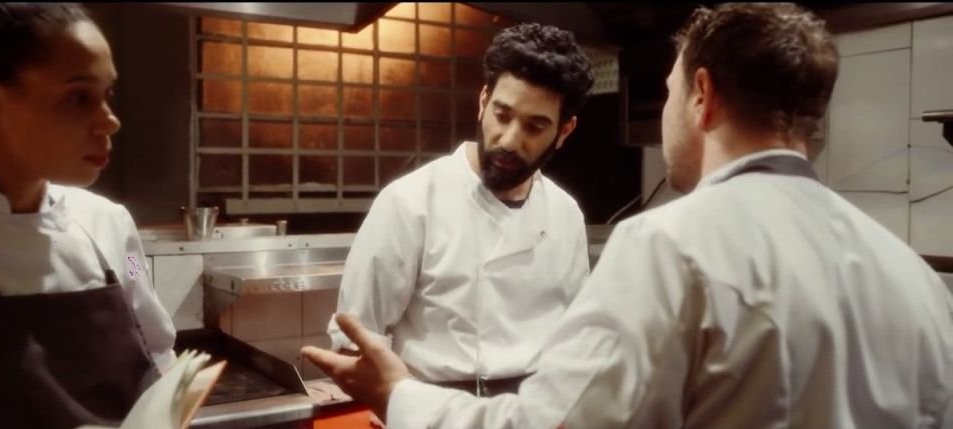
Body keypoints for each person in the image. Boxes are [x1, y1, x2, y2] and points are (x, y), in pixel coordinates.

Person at [304, 3, 953, 428]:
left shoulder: (664, 247)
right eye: (502, 115)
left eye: (668, 91)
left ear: (702, 96)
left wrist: (404, 397)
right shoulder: (915, 279)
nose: (511, 137)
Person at [0, 4, 176, 428]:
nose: (111, 122)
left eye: (107, 95)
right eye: (79, 97)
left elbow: (156, 342)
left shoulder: (112, 226)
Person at [326, 22, 594, 399]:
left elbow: (574, 335)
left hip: (537, 410)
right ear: (483, 102)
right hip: (432, 408)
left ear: (564, 132)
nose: (509, 140)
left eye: (535, 127)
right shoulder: (410, 202)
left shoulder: (565, 214)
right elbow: (358, 339)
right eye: (502, 115)